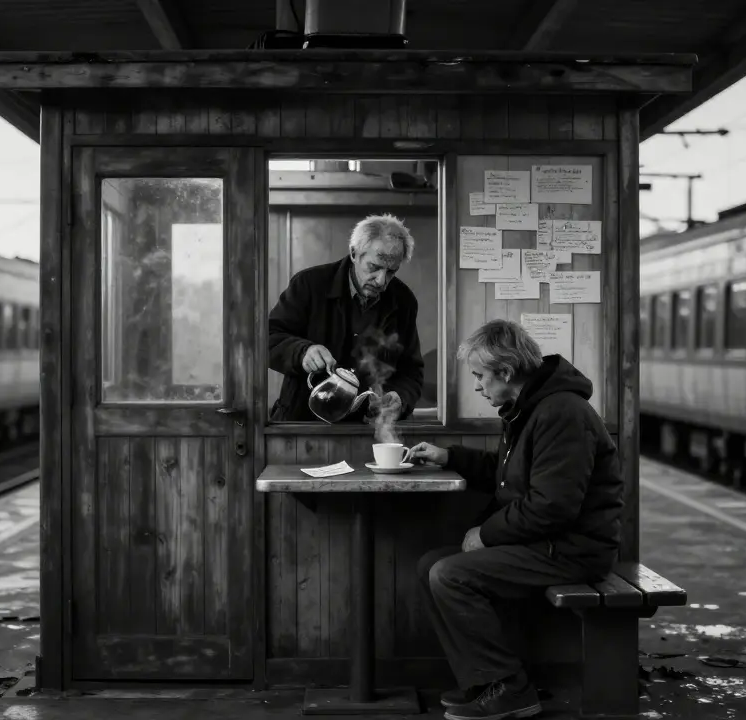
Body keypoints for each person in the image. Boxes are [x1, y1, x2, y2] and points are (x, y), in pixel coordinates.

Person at [405, 319, 624, 720]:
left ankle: (512, 688)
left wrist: (486, 535)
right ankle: (483, 680)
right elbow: (511, 474)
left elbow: (552, 506)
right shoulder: (530, 407)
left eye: (479, 376)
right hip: (549, 541)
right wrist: (449, 457)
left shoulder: (561, 413)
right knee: (429, 566)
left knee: (449, 574)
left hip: (574, 548)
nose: (476, 386)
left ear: (505, 372)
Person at [267, 214, 424, 423]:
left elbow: (411, 371)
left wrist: (400, 398)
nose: (381, 281)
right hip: (302, 423)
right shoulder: (309, 285)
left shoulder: (404, 301)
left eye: (391, 272)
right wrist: (302, 352)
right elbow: (267, 339)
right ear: (353, 253)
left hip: (365, 428)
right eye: (374, 267)